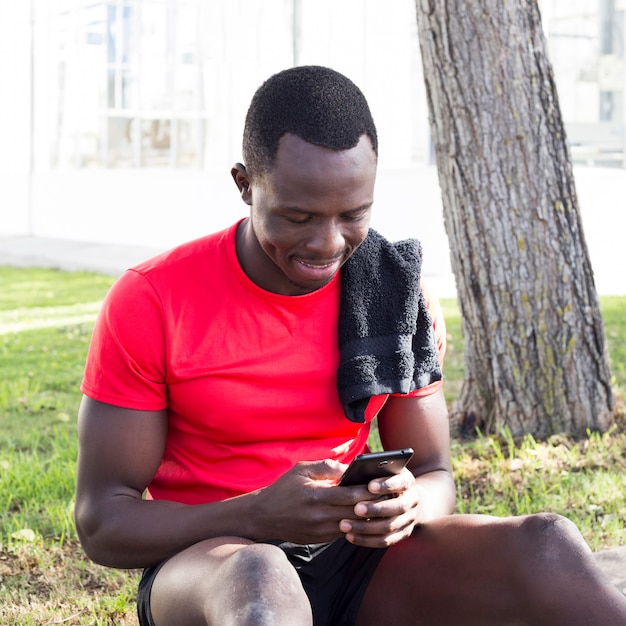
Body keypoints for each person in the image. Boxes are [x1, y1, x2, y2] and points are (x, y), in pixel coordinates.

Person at [74, 65, 626, 626]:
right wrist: (260, 516)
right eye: (298, 216)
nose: (328, 243)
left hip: (356, 557)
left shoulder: (391, 288)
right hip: (213, 567)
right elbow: (103, 524)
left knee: (547, 545)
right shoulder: (152, 300)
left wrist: (407, 505)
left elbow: (435, 474)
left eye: (353, 214)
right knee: (260, 580)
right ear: (244, 184)